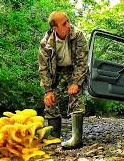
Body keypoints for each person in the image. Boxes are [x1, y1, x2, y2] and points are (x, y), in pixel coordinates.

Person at [38, 11, 88, 149]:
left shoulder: (78, 35)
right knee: (50, 100)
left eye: (68, 21)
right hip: (57, 72)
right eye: (64, 23)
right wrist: (48, 90)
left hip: (74, 70)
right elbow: (43, 68)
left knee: (76, 95)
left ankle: (76, 139)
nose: (68, 25)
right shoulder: (45, 43)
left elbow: (82, 61)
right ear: (55, 28)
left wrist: (76, 83)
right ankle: (54, 138)